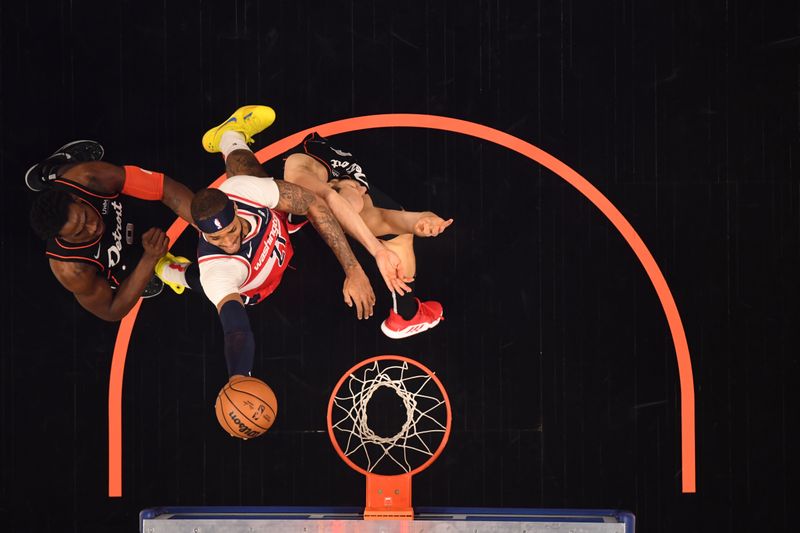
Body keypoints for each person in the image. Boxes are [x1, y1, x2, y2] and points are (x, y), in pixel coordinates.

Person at [160, 105, 374, 378]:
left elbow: (313, 203)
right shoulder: (219, 270)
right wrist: (240, 376)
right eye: (215, 237)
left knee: (253, 174)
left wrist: (353, 269)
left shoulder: (241, 192)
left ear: (236, 210)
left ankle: (229, 136)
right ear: (202, 233)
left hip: (277, 230)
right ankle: (168, 271)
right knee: (199, 280)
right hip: (259, 286)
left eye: (230, 230)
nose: (227, 242)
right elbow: (236, 330)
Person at [278, 132, 453, 339]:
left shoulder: (327, 180)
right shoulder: (303, 173)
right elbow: (380, 217)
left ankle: (405, 316)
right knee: (393, 230)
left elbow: (368, 213)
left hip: (332, 175)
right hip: (316, 192)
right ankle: (405, 316)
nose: (350, 214)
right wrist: (415, 223)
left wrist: (421, 220)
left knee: (394, 229)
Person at [28, 140, 197, 321]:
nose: (93, 227)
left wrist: (207, 223)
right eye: (79, 232)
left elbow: (163, 187)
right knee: (131, 270)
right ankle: (134, 275)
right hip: (119, 258)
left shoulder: (88, 178)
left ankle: (51, 170)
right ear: (61, 238)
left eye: (85, 216)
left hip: (107, 199)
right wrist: (149, 260)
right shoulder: (72, 270)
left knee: (72, 176)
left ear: (77, 199)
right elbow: (111, 310)